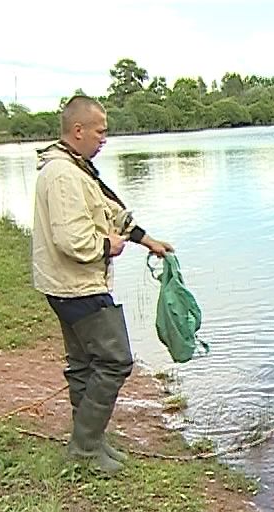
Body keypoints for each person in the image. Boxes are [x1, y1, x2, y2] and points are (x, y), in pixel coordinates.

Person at [32, 95, 174, 473]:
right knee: (115, 360)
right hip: (76, 285)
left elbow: (112, 212)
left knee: (83, 364)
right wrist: (109, 246)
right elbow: (72, 240)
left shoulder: (76, 168)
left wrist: (148, 241)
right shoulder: (63, 175)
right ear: (78, 130)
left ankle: (90, 442)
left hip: (66, 284)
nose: (104, 139)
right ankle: (84, 448)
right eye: (100, 131)